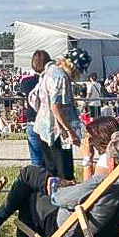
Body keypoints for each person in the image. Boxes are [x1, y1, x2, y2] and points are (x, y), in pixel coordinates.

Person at [0, 131, 119, 237]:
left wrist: (64, 186)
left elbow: (58, 199)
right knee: (32, 189)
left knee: (29, 180)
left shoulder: (104, 183)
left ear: (113, 163)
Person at [32, 48, 90, 180]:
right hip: (56, 132)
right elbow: (55, 107)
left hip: (45, 129)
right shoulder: (60, 77)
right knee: (64, 174)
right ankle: (62, 199)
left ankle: (50, 198)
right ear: (75, 66)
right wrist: (70, 131)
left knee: (51, 173)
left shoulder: (50, 71)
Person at [21, 51, 50, 167]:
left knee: (36, 160)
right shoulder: (50, 79)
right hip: (48, 121)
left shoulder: (26, 81)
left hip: (32, 119)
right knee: (50, 159)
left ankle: (38, 182)